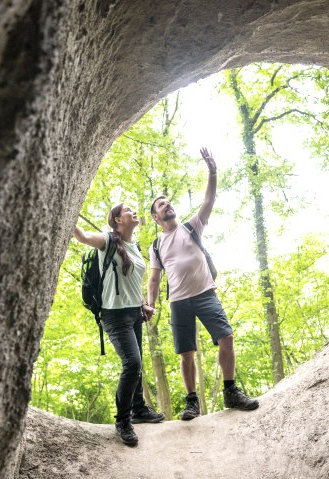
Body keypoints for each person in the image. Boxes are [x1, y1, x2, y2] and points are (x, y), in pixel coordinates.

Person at [148, 147, 259, 420]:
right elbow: (154, 277)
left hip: (205, 294)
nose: (167, 205)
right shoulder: (156, 245)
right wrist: (149, 305)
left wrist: (212, 171)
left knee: (227, 338)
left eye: (168, 202)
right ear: (155, 217)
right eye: (161, 205)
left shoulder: (191, 227)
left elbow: (209, 199)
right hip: (178, 302)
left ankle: (231, 392)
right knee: (186, 354)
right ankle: (191, 402)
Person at [73, 203, 164, 447]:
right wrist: (67, 210)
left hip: (134, 313)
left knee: (138, 364)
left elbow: (131, 282)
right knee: (132, 363)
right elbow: (82, 237)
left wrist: (143, 303)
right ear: (117, 220)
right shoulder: (107, 240)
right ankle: (123, 421)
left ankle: (138, 408)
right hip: (114, 316)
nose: (134, 212)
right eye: (128, 210)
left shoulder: (133, 245)